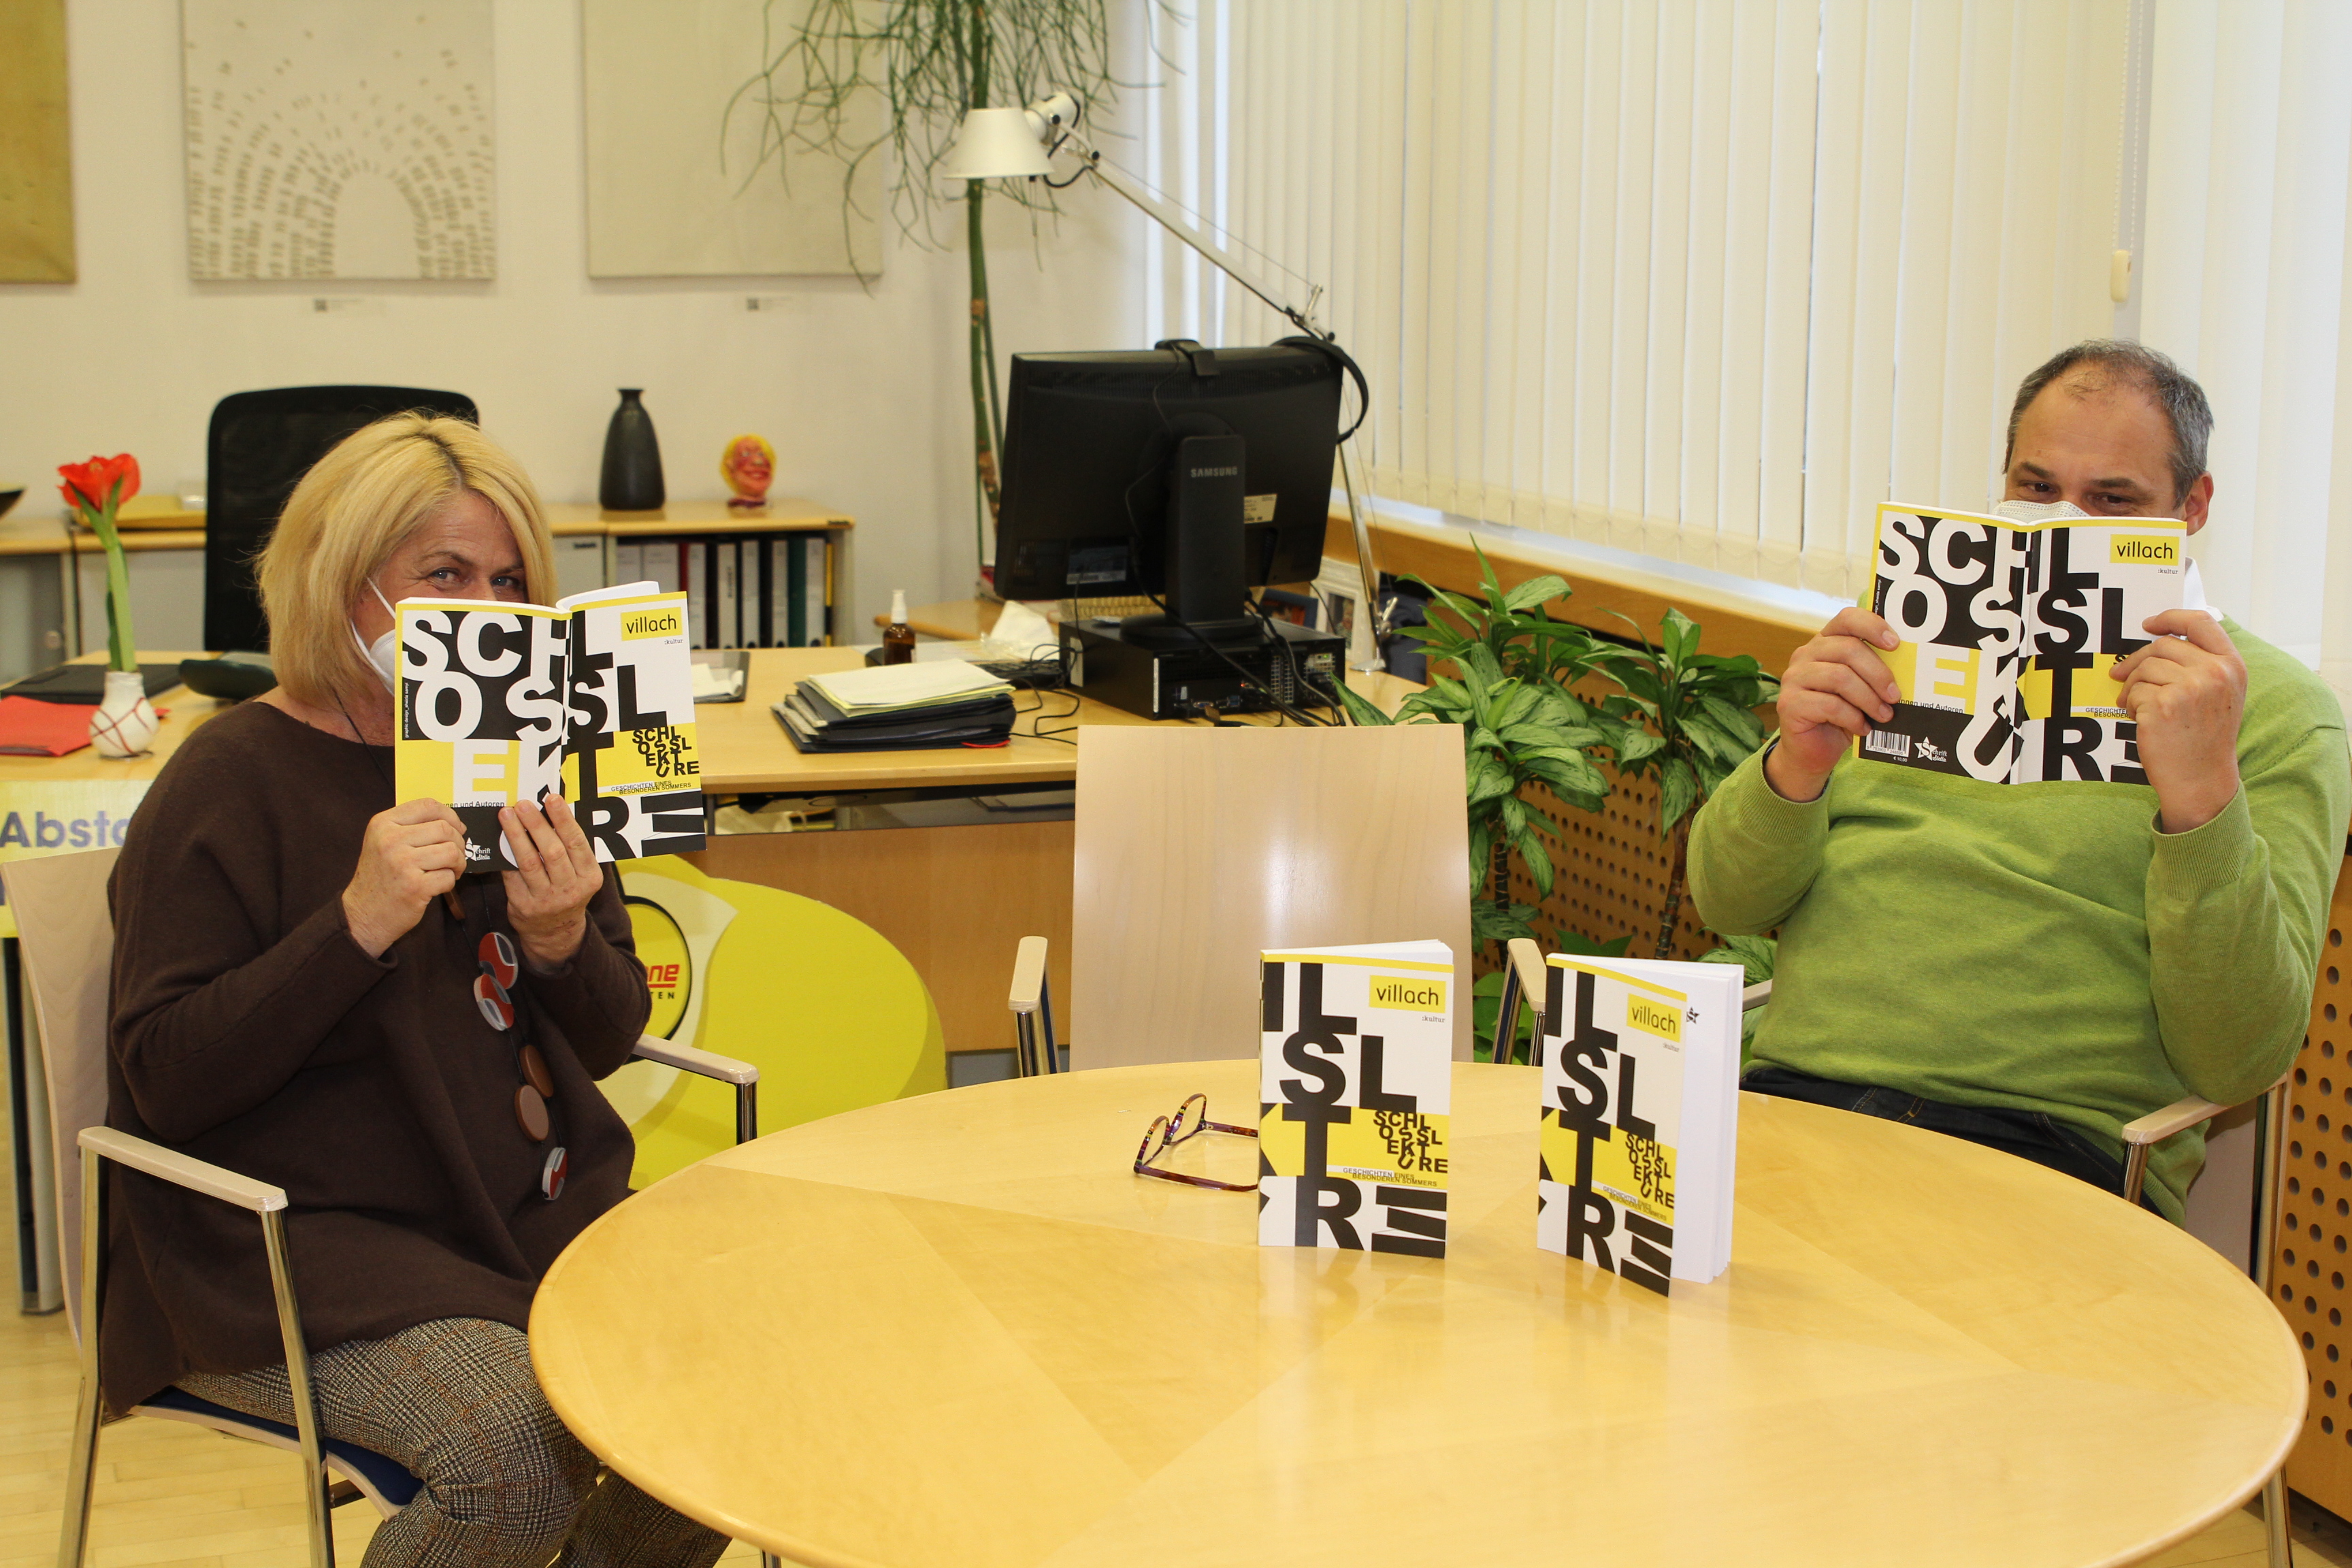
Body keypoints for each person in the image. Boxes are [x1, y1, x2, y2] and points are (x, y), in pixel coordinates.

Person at [104, 413, 729, 1567]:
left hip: (514, 1209)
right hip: (295, 1243)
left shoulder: (537, 756)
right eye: (443, 576)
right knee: (517, 1457)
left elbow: (608, 1037)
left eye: (508, 582)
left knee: (715, 1391)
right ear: (345, 583)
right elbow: (166, 1079)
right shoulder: (230, 778)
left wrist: (556, 941)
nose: (483, 612)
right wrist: (355, 925)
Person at [1688, 341, 2351, 1220]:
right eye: (2036, 489)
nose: (2061, 524)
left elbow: (2241, 1055)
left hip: (2048, 1152)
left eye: (2111, 501)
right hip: (1801, 1105)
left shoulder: (2271, 708)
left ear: (2192, 508)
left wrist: (2203, 800)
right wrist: (1796, 762)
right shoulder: (1913, 641)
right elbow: (1726, 899)